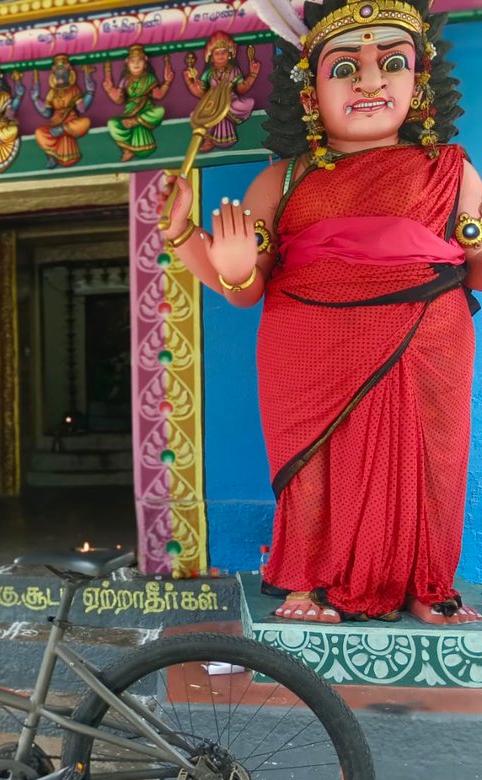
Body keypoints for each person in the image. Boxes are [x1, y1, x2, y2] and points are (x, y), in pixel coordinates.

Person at [162, 0, 480, 625]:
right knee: (315, 461)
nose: (369, 82)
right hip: (308, 340)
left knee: (428, 463)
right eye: (344, 69)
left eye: (391, 63)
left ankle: (428, 584)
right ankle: (309, 581)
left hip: (425, 337)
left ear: (419, 82)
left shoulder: (453, 171)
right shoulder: (281, 180)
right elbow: (245, 291)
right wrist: (196, 246)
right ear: (311, 93)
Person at [181, 31, 259, 151]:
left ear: (229, 54)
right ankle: (209, 140)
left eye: (223, 52)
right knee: (204, 113)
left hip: (229, 100)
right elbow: (201, 93)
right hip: (212, 101)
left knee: (237, 105)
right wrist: (190, 82)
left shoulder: (234, 70)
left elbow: (241, 88)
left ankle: (221, 138)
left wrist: (253, 74)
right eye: (217, 53)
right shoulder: (208, 73)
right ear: (211, 57)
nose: (221, 55)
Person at [103, 45, 173, 162]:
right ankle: (128, 148)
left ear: (145, 63)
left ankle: (135, 122)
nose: (136, 64)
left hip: (145, 111)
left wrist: (167, 82)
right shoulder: (124, 80)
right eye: (133, 61)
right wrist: (110, 90)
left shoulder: (150, 78)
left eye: (139, 61)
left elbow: (158, 95)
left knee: (160, 111)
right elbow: (119, 100)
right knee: (112, 123)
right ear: (127, 63)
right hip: (129, 112)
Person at [30, 56, 96, 169]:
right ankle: (51, 155)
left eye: (63, 73)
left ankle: (63, 130)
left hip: (70, 123)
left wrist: (90, 92)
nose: (60, 76)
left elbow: (81, 109)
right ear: (54, 75)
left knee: (86, 122)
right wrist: (35, 99)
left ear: (69, 74)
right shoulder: (52, 92)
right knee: (39, 132)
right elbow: (47, 113)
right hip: (55, 124)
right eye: (58, 73)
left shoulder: (73, 89)